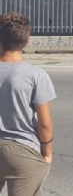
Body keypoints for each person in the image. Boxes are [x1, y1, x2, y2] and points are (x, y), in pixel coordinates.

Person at [0, 13, 56, 196]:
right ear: (27, 41)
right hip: (22, 149)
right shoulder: (35, 75)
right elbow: (45, 122)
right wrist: (47, 152)